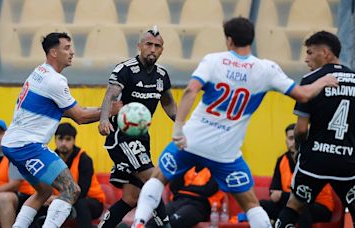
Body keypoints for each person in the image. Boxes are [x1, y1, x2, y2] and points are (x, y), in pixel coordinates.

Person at [131, 17, 338, 228]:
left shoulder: (213, 61)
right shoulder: (266, 69)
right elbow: (303, 95)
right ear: (251, 39)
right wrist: (323, 79)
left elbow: (190, 90)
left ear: (229, 40)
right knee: (251, 203)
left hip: (192, 140)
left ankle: (139, 222)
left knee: (158, 177)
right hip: (225, 152)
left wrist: (178, 126)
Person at [1, 32, 121, 228]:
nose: (72, 52)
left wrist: (105, 111)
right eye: (66, 48)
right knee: (71, 190)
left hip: (13, 144)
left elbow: (71, 112)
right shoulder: (55, 81)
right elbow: (80, 117)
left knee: (44, 192)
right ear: (53, 53)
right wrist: (110, 112)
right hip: (28, 146)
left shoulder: (40, 72)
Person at [97, 26, 177, 228]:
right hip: (121, 137)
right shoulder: (125, 69)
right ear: (139, 46)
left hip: (142, 138)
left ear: (162, 50)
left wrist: (182, 122)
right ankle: (165, 226)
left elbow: (167, 101)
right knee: (153, 179)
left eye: (157, 46)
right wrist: (104, 119)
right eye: (148, 44)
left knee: (131, 198)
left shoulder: (161, 75)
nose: (152, 49)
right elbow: (110, 95)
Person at [274, 31, 355, 227]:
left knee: (293, 208)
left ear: (326, 53)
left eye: (310, 53)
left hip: (315, 161)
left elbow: (301, 130)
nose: (306, 58)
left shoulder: (311, 80)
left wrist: (299, 150)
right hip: (348, 161)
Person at [260, 123, 333, 227]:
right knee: (261, 205)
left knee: (300, 205)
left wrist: (282, 195)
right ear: (286, 141)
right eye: (290, 138)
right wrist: (279, 196)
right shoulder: (282, 160)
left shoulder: (313, 157)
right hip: (290, 203)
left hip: (319, 206)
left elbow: (308, 195)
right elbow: (274, 192)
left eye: (297, 138)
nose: (294, 142)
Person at [45, 122, 105, 228]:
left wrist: (59, 199)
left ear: (74, 140)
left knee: (80, 203)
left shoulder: (84, 159)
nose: (63, 143)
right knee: (38, 203)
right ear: (55, 139)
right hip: (61, 200)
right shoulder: (50, 160)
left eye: (68, 139)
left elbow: (82, 191)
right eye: (60, 138)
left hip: (92, 201)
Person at [146, 165, 224, 228]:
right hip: (178, 201)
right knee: (153, 222)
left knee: (173, 222)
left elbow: (209, 190)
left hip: (199, 205)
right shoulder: (188, 167)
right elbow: (174, 186)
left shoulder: (215, 169)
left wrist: (186, 188)